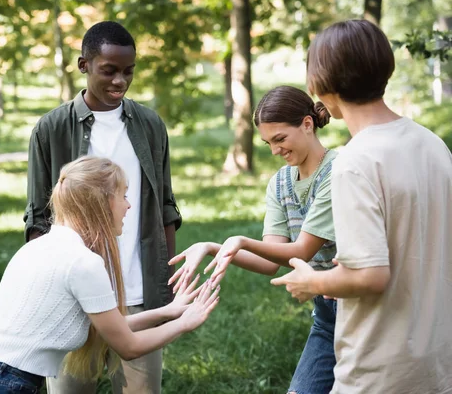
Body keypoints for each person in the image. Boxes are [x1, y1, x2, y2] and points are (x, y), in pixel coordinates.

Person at [271, 20, 452, 393]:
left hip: (378, 371)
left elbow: (370, 276)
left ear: (319, 85)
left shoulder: (355, 162)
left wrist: (312, 281)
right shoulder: (433, 144)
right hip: (437, 362)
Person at [0, 157, 219, 393]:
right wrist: (185, 323)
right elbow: (128, 346)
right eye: (123, 195)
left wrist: (170, 312)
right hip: (2, 384)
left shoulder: (43, 248)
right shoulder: (82, 263)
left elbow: (113, 326)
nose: (128, 206)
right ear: (101, 202)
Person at [23, 21, 182, 394]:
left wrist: (168, 287)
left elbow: (166, 209)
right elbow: (38, 221)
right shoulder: (51, 129)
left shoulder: (150, 126)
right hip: (72, 299)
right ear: (84, 65)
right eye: (109, 70)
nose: (120, 81)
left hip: (139, 296)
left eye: (128, 72)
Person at [170, 85, 339, 393]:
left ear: (307, 124)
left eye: (280, 139)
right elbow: (271, 260)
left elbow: (302, 250)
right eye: (267, 143)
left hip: (361, 310)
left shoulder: (338, 172)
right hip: (326, 319)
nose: (275, 151)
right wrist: (213, 247)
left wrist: (242, 241)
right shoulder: (280, 183)